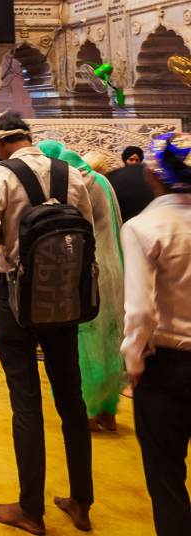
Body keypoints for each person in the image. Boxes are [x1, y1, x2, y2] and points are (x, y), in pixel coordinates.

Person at [0, 111, 94, 535]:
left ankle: (30, 509)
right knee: (71, 398)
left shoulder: (1, 175)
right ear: (28, 136)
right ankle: (81, 501)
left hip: (16, 297)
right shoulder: (70, 173)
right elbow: (87, 232)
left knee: (26, 401)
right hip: (65, 296)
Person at [121, 133, 191, 536]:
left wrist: (133, 362)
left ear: (153, 175)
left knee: (167, 478)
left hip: (167, 365)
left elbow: (141, 311)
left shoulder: (145, 226)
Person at [38, 141, 126, 433]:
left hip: (86, 271)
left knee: (82, 343)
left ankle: (85, 410)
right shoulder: (100, 179)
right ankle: (108, 411)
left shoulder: (74, 182)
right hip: (113, 267)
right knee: (108, 341)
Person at [106, 146, 155, 223]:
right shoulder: (116, 176)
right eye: (131, 160)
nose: (134, 163)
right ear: (125, 160)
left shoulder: (147, 177)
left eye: (137, 160)